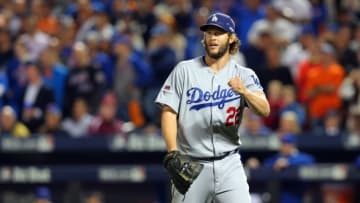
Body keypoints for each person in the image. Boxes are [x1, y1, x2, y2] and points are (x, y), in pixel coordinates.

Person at [155, 12, 270, 203]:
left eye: (218, 33)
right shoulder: (185, 70)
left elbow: (264, 109)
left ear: (231, 38)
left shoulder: (244, 74)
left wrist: (245, 92)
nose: (212, 38)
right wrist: (173, 151)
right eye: (209, 33)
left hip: (229, 162)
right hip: (192, 163)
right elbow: (169, 111)